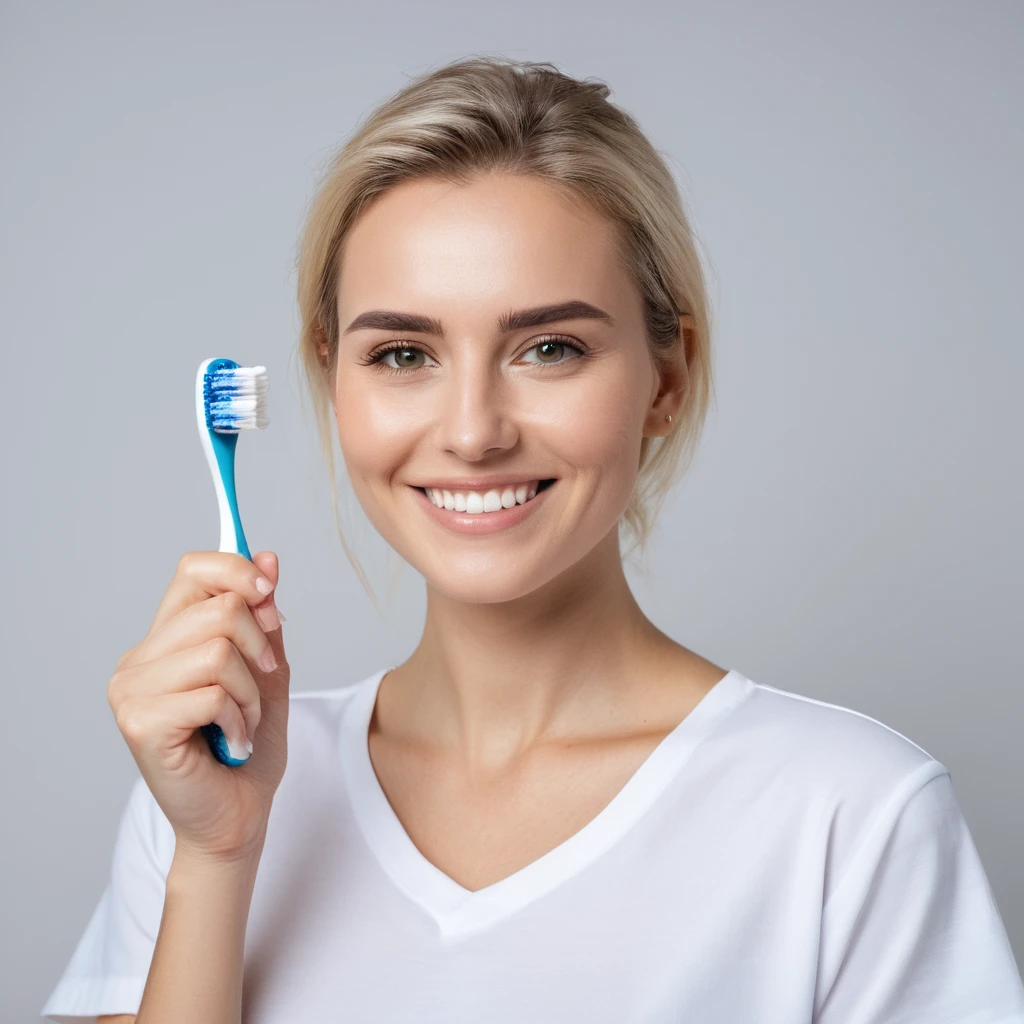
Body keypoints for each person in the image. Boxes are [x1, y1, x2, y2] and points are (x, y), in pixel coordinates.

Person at [42, 55, 1024, 1023]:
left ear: (666, 379)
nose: (472, 431)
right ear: (330, 375)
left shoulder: (846, 818)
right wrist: (215, 858)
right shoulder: (211, 787)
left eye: (549, 348)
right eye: (403, 354)